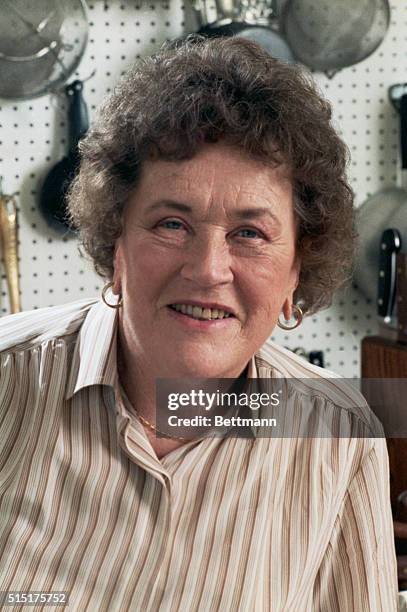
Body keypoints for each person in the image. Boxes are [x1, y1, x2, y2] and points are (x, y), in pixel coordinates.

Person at [0, 36, 398, 611]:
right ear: (116, 243)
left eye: (250, 234)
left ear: (296, 272)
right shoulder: (10, 381)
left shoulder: (336, 435)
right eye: (171, 224)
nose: (208, 270)